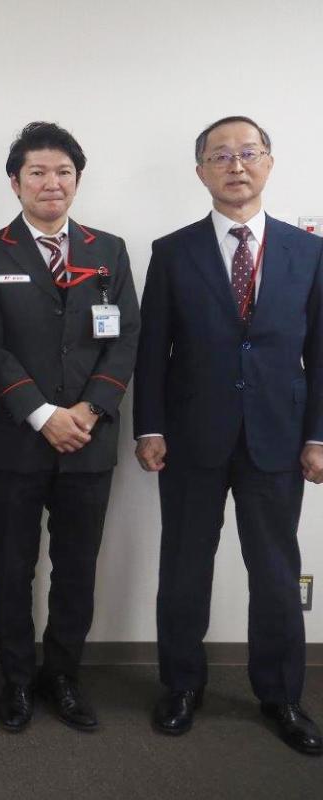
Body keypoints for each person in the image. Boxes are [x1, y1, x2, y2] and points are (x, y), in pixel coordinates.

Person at [134, 115, 323, 756]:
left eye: (248, 152)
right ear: (201, 172)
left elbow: (321, 353)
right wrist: (149, 426)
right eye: (220, 156)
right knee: (184, 568)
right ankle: (181, 685)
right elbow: (152, 351)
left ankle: (281, 695)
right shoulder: (172, 251)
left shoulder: (308, 252)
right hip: (191, 437)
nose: (235, 165)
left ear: (269, 162)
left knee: (276, 574)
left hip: (278, 437)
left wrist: (318, 435)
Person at [0, 122, 139, 733]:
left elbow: (125, 339)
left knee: (76, 568)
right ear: (15, 183)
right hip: (16, 440)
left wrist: (88, 411)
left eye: (63, 172)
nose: (51, 182)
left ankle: (63, 677)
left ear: (77, 180)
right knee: (13, 568)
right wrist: (43, 414)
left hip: (89, 441)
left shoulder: (108, 250)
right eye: (37, 172)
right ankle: (15, 680)